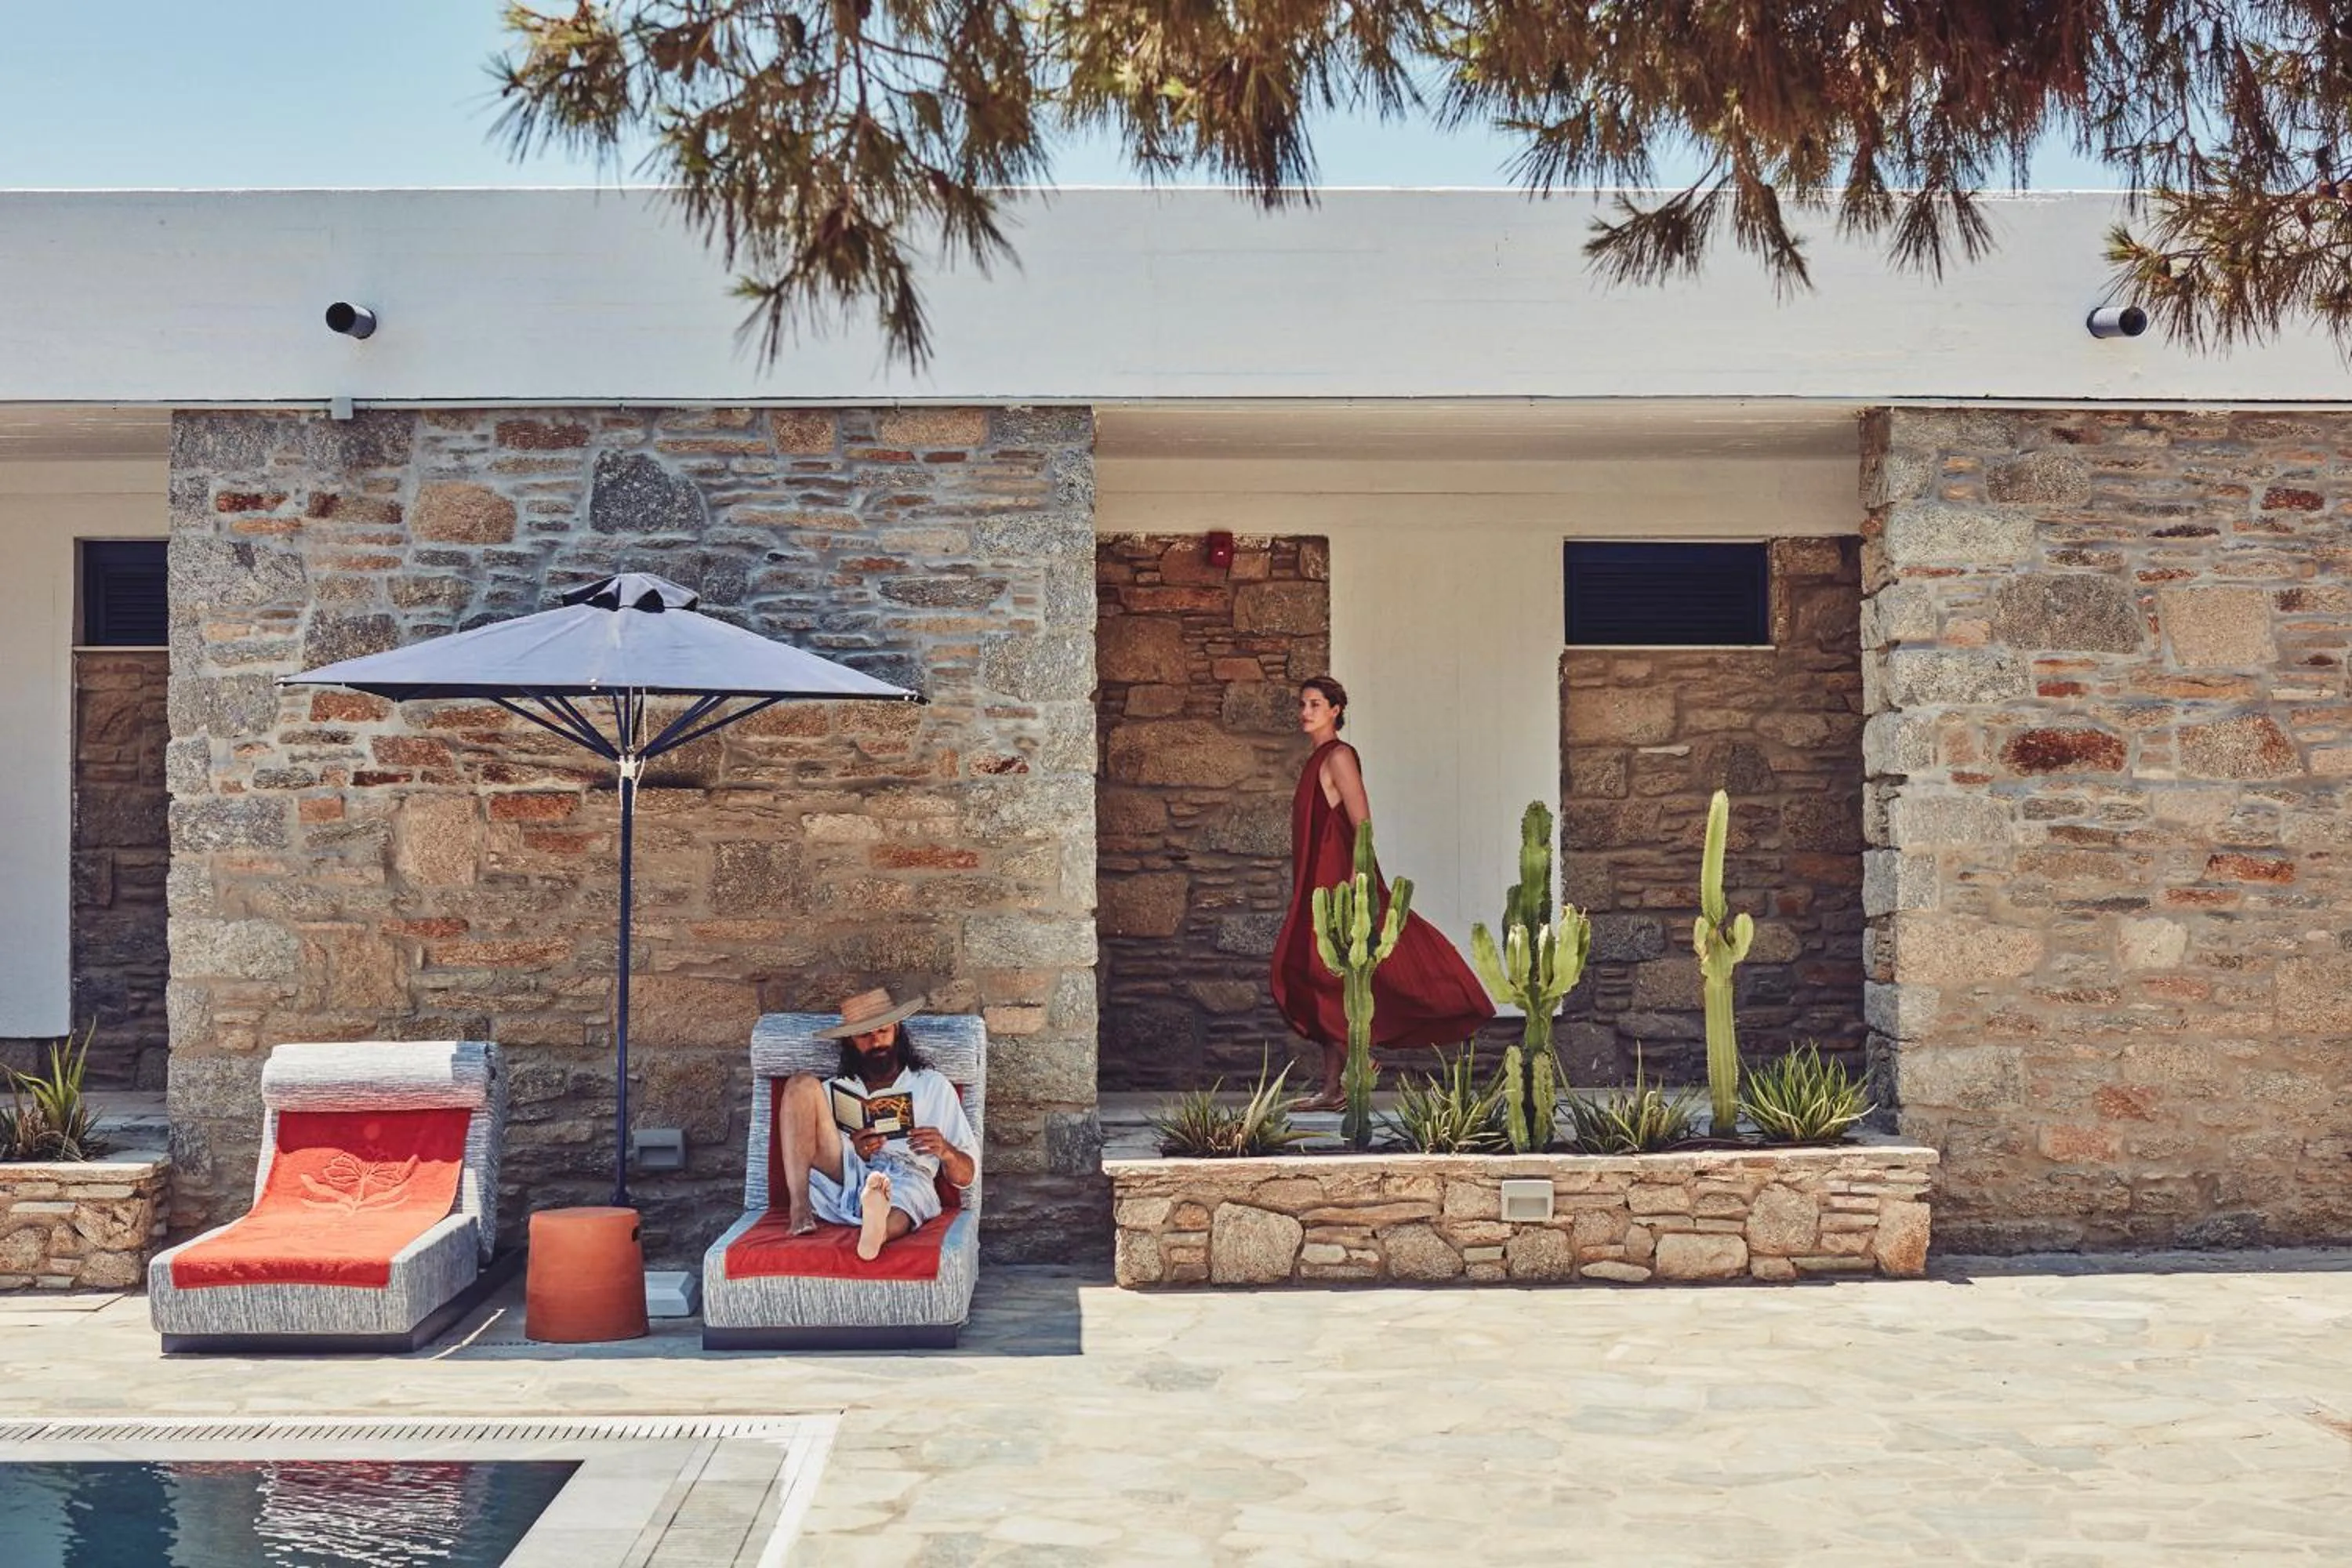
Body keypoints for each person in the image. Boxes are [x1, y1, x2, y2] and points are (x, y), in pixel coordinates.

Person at [1269, 675, 1496, 1110]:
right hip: (1314, 882)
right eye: (1303, 704)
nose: (1305, 712)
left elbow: (1361, 819)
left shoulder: (1338, 756)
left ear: (1335, 710)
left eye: (1315, 704)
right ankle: (1334, 1088)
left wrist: (1360, 876)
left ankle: (1357, 1065)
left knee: (1331, 971)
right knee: (1314, 973)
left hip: (1339, 879)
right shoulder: (1315, 759)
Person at [774, 988, 979, 1260]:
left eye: (883, 1031)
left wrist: (946, 1151)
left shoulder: (932, 1085)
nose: (876, 1041)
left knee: (908, 1196)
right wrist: (855, 1149)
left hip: (907, 1173)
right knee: (800, 1084)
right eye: (864, 1035)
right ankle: (799, 1208)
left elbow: (966, 1177)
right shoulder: (835, 1090)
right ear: (850, 1042)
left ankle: (877, 1231)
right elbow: (814, 1148)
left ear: (897, 1030)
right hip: (849, 1168)